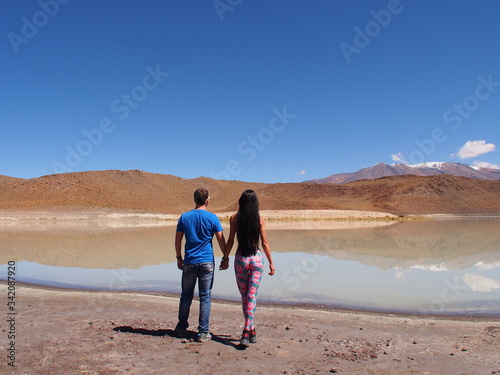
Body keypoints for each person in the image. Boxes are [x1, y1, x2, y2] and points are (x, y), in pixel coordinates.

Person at [221, 189, 275, 347]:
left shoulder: (234, 218)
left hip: (241, 260)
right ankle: (251, 329)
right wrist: (271, 262)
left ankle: (246, 331)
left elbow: (230, 240)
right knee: (251, 297)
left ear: (241, 202)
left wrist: (225, 258)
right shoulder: (260, 219)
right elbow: (264, 242)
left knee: (246, 297)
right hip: (257, 259)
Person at [174, 188, 227, 342]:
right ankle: (203, 332)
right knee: (205, 297)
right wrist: (225, 257)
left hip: (189, 261)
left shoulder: (185, 217)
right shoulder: (212, 218)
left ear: (194, 200)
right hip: (206, 262)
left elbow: (178, 240)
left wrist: (179, 257)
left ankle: (181, 327)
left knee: (186, 295)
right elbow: (221, 239)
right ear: (207, 201)